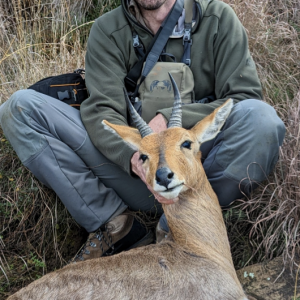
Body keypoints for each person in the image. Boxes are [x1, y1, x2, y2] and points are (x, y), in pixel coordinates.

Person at [0, 0, 285, 262]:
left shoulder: (217, 18)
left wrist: (173, 120)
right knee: (20, 108)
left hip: (198, 171)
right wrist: (134, 157)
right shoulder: (107, 30)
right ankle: (115, 225)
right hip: (138, 174)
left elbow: (244, 95)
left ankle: (180, 223)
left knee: (261, 119)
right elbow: (102, 111)